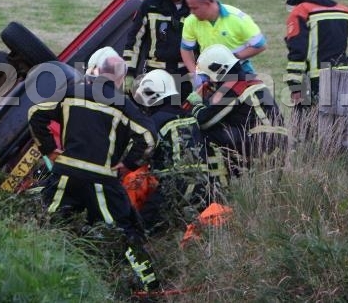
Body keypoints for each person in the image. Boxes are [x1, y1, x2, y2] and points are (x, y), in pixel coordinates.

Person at [27, 53, 160, 292]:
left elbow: (35, 113)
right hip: (102, 180)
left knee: (49, 220)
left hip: (66, 174)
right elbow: (149, 138)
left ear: (96, 72)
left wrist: (49, 149)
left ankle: (34, 271)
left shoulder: (71, 92)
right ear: (120, 79)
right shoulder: (122, 104)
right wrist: (128, 163)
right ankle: (149, 288)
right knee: (124, 229)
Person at [131, 69, 213, 233]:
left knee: (141, 227)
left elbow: (140, 154)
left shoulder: (154, 121)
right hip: (204, 185)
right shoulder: (188, 116)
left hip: (175, 184)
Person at [185, 44, 287, 173]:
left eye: (208, 76)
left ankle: (217, 181)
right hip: (273, 142)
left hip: (265, 145)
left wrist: (196, 103)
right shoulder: (246, 79)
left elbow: (204, 121)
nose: (209, 81)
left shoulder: (235, 87)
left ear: (220, 71)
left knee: (206, 133)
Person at [123, 0, 194, 98]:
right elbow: (134, 42)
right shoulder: (150, 6)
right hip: (155, 72)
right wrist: (129, 73)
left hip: (186, 75)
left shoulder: (194, 9)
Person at [181, 0, 267, 88]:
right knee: (199, 103)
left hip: (241, 71)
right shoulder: (191, 21)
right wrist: (196, 75)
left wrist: (231, 59)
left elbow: (260, 45)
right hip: (208, 76)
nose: (192, 12)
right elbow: (185, 49)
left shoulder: (237, 18)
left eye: (195, 8)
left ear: (208, 3)